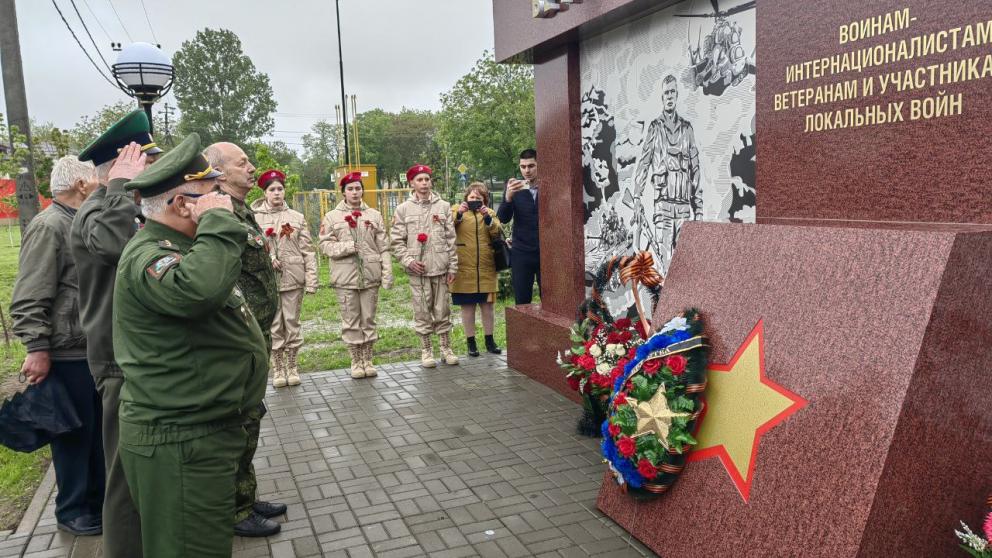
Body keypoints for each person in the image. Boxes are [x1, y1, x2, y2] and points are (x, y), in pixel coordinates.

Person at [113, 133, 268, 557]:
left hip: (203, 432)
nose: (223, 201)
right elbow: (198, 292)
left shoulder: (185, 246)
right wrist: (218, 224)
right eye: (212, 193)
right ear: (182, 204)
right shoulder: (151, 255)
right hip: (179, 443)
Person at [70, 109, 162, 557]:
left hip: (135, 358)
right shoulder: (95, 211)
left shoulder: (116, 206)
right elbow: (111, 245)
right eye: (143, 162)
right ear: (120, 167)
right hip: (117, 363)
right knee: (124, 478)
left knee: (143, 473)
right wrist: (119, 188)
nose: (152, 169)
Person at [10, 156, 104, 536]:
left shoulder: (75, 221)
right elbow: (29, 294)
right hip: (65, 351)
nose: (99, 185)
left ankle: (93, 502)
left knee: (93, 432)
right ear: (81, 184)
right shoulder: (50, 225)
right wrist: (37, 347)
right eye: (95, 181)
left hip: (86, 347)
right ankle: (72, 509)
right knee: (73, 434)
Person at [203, 142, 284, 537]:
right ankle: (235, 509)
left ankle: (247, 496)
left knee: (251, 416)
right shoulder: (216, 213)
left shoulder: (240, 210)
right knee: (241, 420)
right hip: (236, 339)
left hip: (255, 336)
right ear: (218, 171)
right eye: (243, 163)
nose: (252, 168)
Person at [318, 172, 393, 379]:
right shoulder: (332, 217)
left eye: (358, 188)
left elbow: (383, 247)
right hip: (346, 277)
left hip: (370, 275)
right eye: (350, 189)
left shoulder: (374, 215)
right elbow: (324, 245)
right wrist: (347, 246)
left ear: (362, 190)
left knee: (368, 319)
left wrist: (387, 272)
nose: (354, 192)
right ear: (343, 192)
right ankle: (356, 360)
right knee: (351, 320)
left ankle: (368, 359)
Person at [252, 169, 318, 388]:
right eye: (272, 190)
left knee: (291, 322)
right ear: (265, 193)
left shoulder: (296, 218)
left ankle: (293, 365)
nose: (277, 193)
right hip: (267, 281)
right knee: (273, 324)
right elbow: (250, 248)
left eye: (280, 189)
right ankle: (278, 367)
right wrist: (268, 258)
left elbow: (308, 250)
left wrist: (312, 279)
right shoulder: (254, 217)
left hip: (293, 279)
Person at [389, 164, 458, 368]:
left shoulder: (443, 206)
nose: (424, 183)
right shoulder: (403, 209)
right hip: (418, 271)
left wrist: (452, 266)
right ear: (411, 183)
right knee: (422, 310)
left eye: (427, 179)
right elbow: (396, 241)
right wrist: (408, 261)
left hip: (440, 267)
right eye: (419, 180)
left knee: (442, 309)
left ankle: (446, 348)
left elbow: (451, 239)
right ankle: (426, 350)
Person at [633, 74, 701, 273]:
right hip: (663, 205)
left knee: (684, 264)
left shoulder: (687, 129)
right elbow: (644, 163)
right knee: (665, 264)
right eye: (666, 93)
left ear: (677, 95)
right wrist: (637, 197)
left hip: (683, 206)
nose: (669, 96)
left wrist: (699, 209)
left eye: (672, 92)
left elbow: (695, 169)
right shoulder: (655, 128)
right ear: (662, 98)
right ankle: (668, 304)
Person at [451, 182, 502, 357]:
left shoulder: (490, 213)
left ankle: (490, 340)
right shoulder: (457, 210)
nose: (475, 201)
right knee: (467, 307)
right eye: (472, 197)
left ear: (484, 200)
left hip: (486, 267)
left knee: (488, 307)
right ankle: (471, 343)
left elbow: (497, 232)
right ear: (466, 198)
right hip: (463, 268)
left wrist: (487, 217)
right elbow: (447, 228)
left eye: (478, 198)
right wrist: (459, 214)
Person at [497, 149, 541, 305]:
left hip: (547, 252)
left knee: (551, 302)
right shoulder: (514, 188)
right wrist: (508, 197)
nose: (527, 171)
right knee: (522, 302)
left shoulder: (551, 186)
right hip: (522, 252)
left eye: (531, 166)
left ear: (539, 164)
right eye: (523, 167)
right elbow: (503, 217)